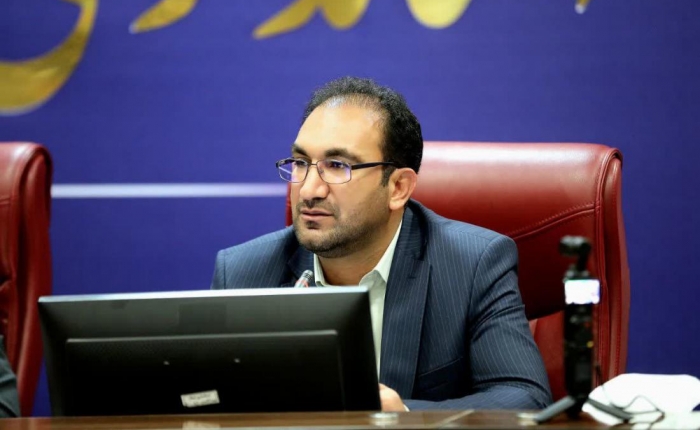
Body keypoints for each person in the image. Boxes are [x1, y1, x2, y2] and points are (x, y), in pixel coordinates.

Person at [212, 76, 552, 411]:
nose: (309, 190)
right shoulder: (243, 274)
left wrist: (404, 415)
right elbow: (205, 400)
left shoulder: (472, 265)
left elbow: (525, 397)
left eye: (337, 166)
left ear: (398, 188)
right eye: (301, 163)